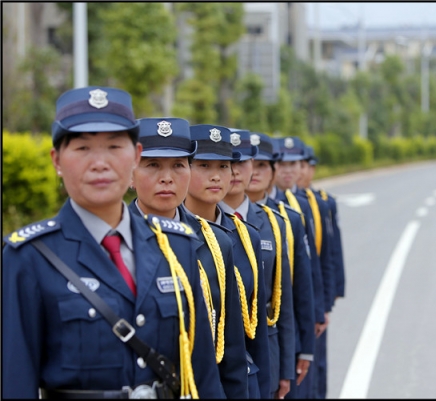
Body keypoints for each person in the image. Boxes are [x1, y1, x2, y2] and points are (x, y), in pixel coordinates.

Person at [2, 87, 223, 399]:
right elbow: (14, 382)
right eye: (82, 148)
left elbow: (202, 374)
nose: (100, 163)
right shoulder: (28, 257)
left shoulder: (175, 245)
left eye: (114, 146)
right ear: (57, 160)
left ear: (134, 155)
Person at [128, 117, 248, 398]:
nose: (167, 177)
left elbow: (232, 350)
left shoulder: (217, 242)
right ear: (130, 173)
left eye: (179, 165)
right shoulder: (110, 245)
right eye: (153, 165)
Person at [184, 124, 271, 399]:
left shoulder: (243, 237)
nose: (217, 176)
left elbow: (254, 329)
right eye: (204, 166)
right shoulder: (167, 236)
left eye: (224, 167)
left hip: (238, 379)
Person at [219, 129, 296, 399]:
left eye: (243, 163)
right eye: (228, 163)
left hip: (265, 350)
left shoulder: (271, 223)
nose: (236, 171)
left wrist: (286, 367)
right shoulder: (198, 228)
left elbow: (282, 302)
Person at [245, 132, 316, 399]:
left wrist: (303, 347)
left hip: (272, 342)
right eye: (244, 162)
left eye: (262, 165)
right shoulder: (210, 223)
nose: (251, 171)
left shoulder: (283, 220)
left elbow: (298, 291)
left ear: (272, 171)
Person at [271, 136, 328, 398]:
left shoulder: (296, 210)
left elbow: (314, 266)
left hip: (293, 317)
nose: (288, 169)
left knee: (308, 380)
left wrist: (321, 307)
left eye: (295, 163)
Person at [298, 144, 346, 399]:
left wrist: (330, 295)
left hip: (315, 301)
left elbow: (328, 252)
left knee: (317, 365)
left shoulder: (321, 203)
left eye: (302, 165)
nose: (296, 171)